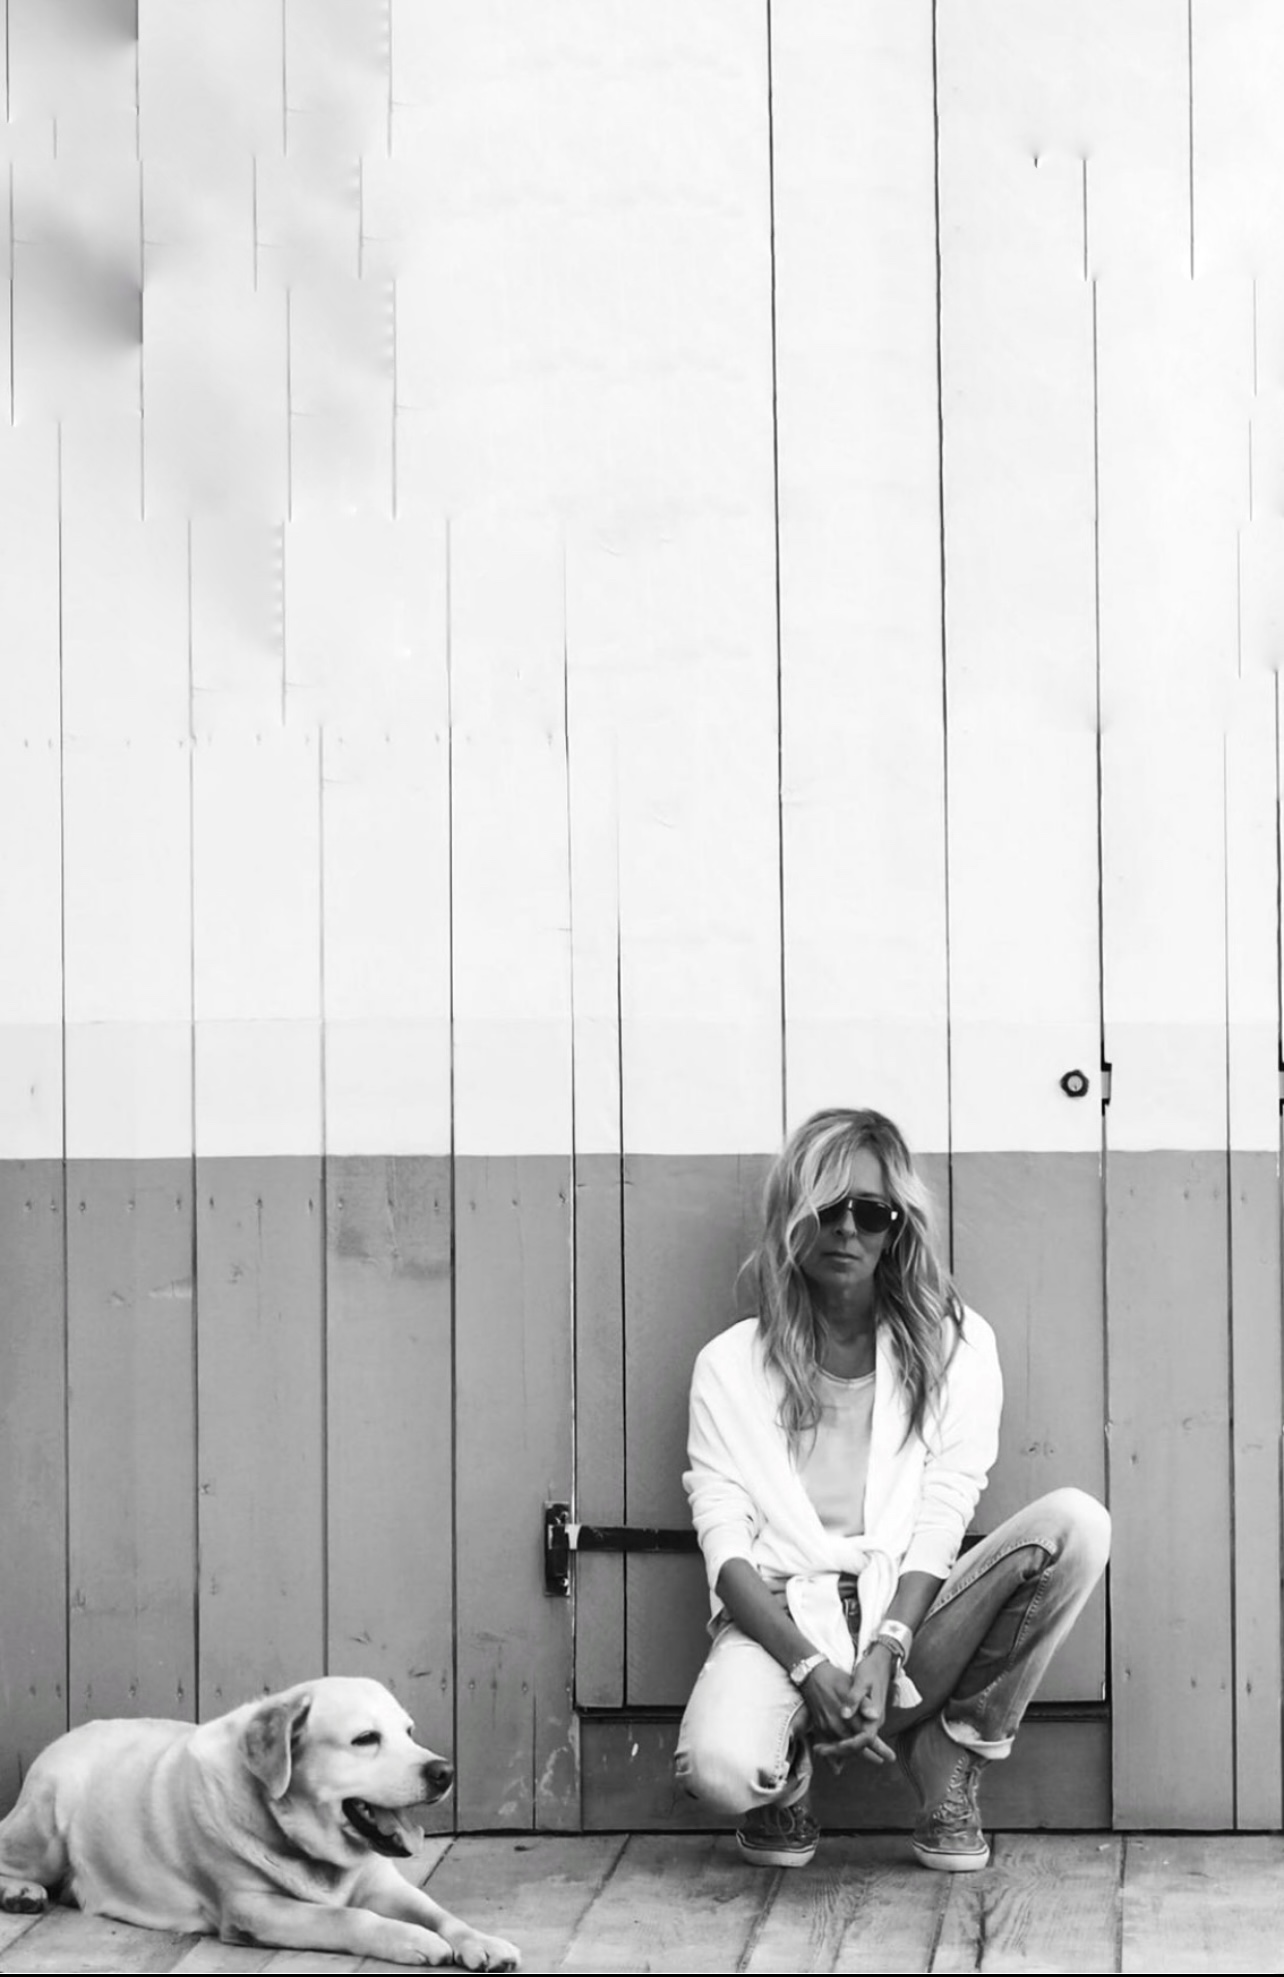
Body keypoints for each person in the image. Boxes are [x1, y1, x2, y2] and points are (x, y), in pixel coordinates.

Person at [674, 1106, 1110, 1872]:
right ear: (793, 1216)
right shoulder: (729, 1366)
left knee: (1076, 1525)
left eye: (871, 1212)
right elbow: (727, 1554)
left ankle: (950, 1752)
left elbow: (945, 1513)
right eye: (828, 1207)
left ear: (897, 1226)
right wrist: (810, 1670)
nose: (848, 1228)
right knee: (717, 1771)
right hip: (784, 1622)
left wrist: (888, 1645)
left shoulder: (955, 1345)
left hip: (913, 1620)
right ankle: (785, 1773)